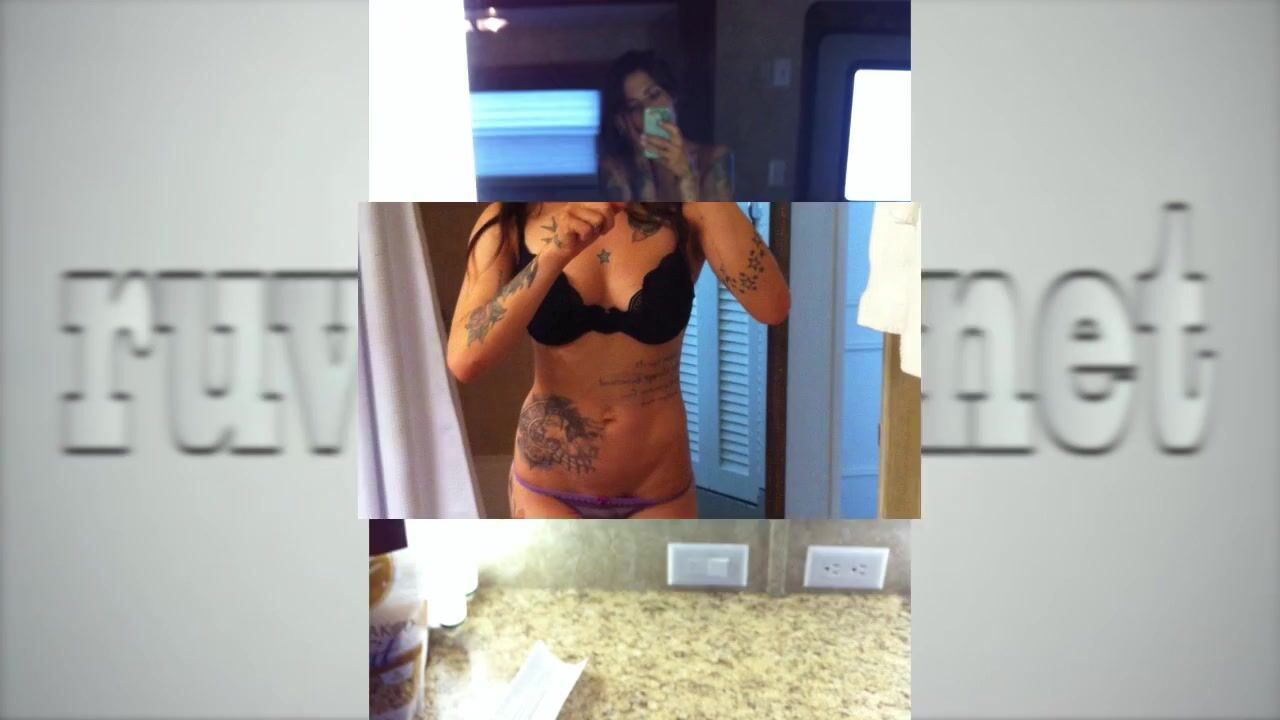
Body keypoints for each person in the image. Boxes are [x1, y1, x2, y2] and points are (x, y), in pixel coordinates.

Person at [446, 202, 788, 519]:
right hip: (548, 489)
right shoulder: (511, 219)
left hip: (658, 489)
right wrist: (552, 254)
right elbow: (465, 360)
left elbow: (772, 306)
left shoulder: (688, 209)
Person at [597, 51, 733, 201]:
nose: (648, 109)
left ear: (672, 97)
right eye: (634, 107)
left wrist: (685, 176)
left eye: (654, 95)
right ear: (622, 121)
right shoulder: (615, 169)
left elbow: (711, 217)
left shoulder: (714, 159)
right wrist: (642, 162)